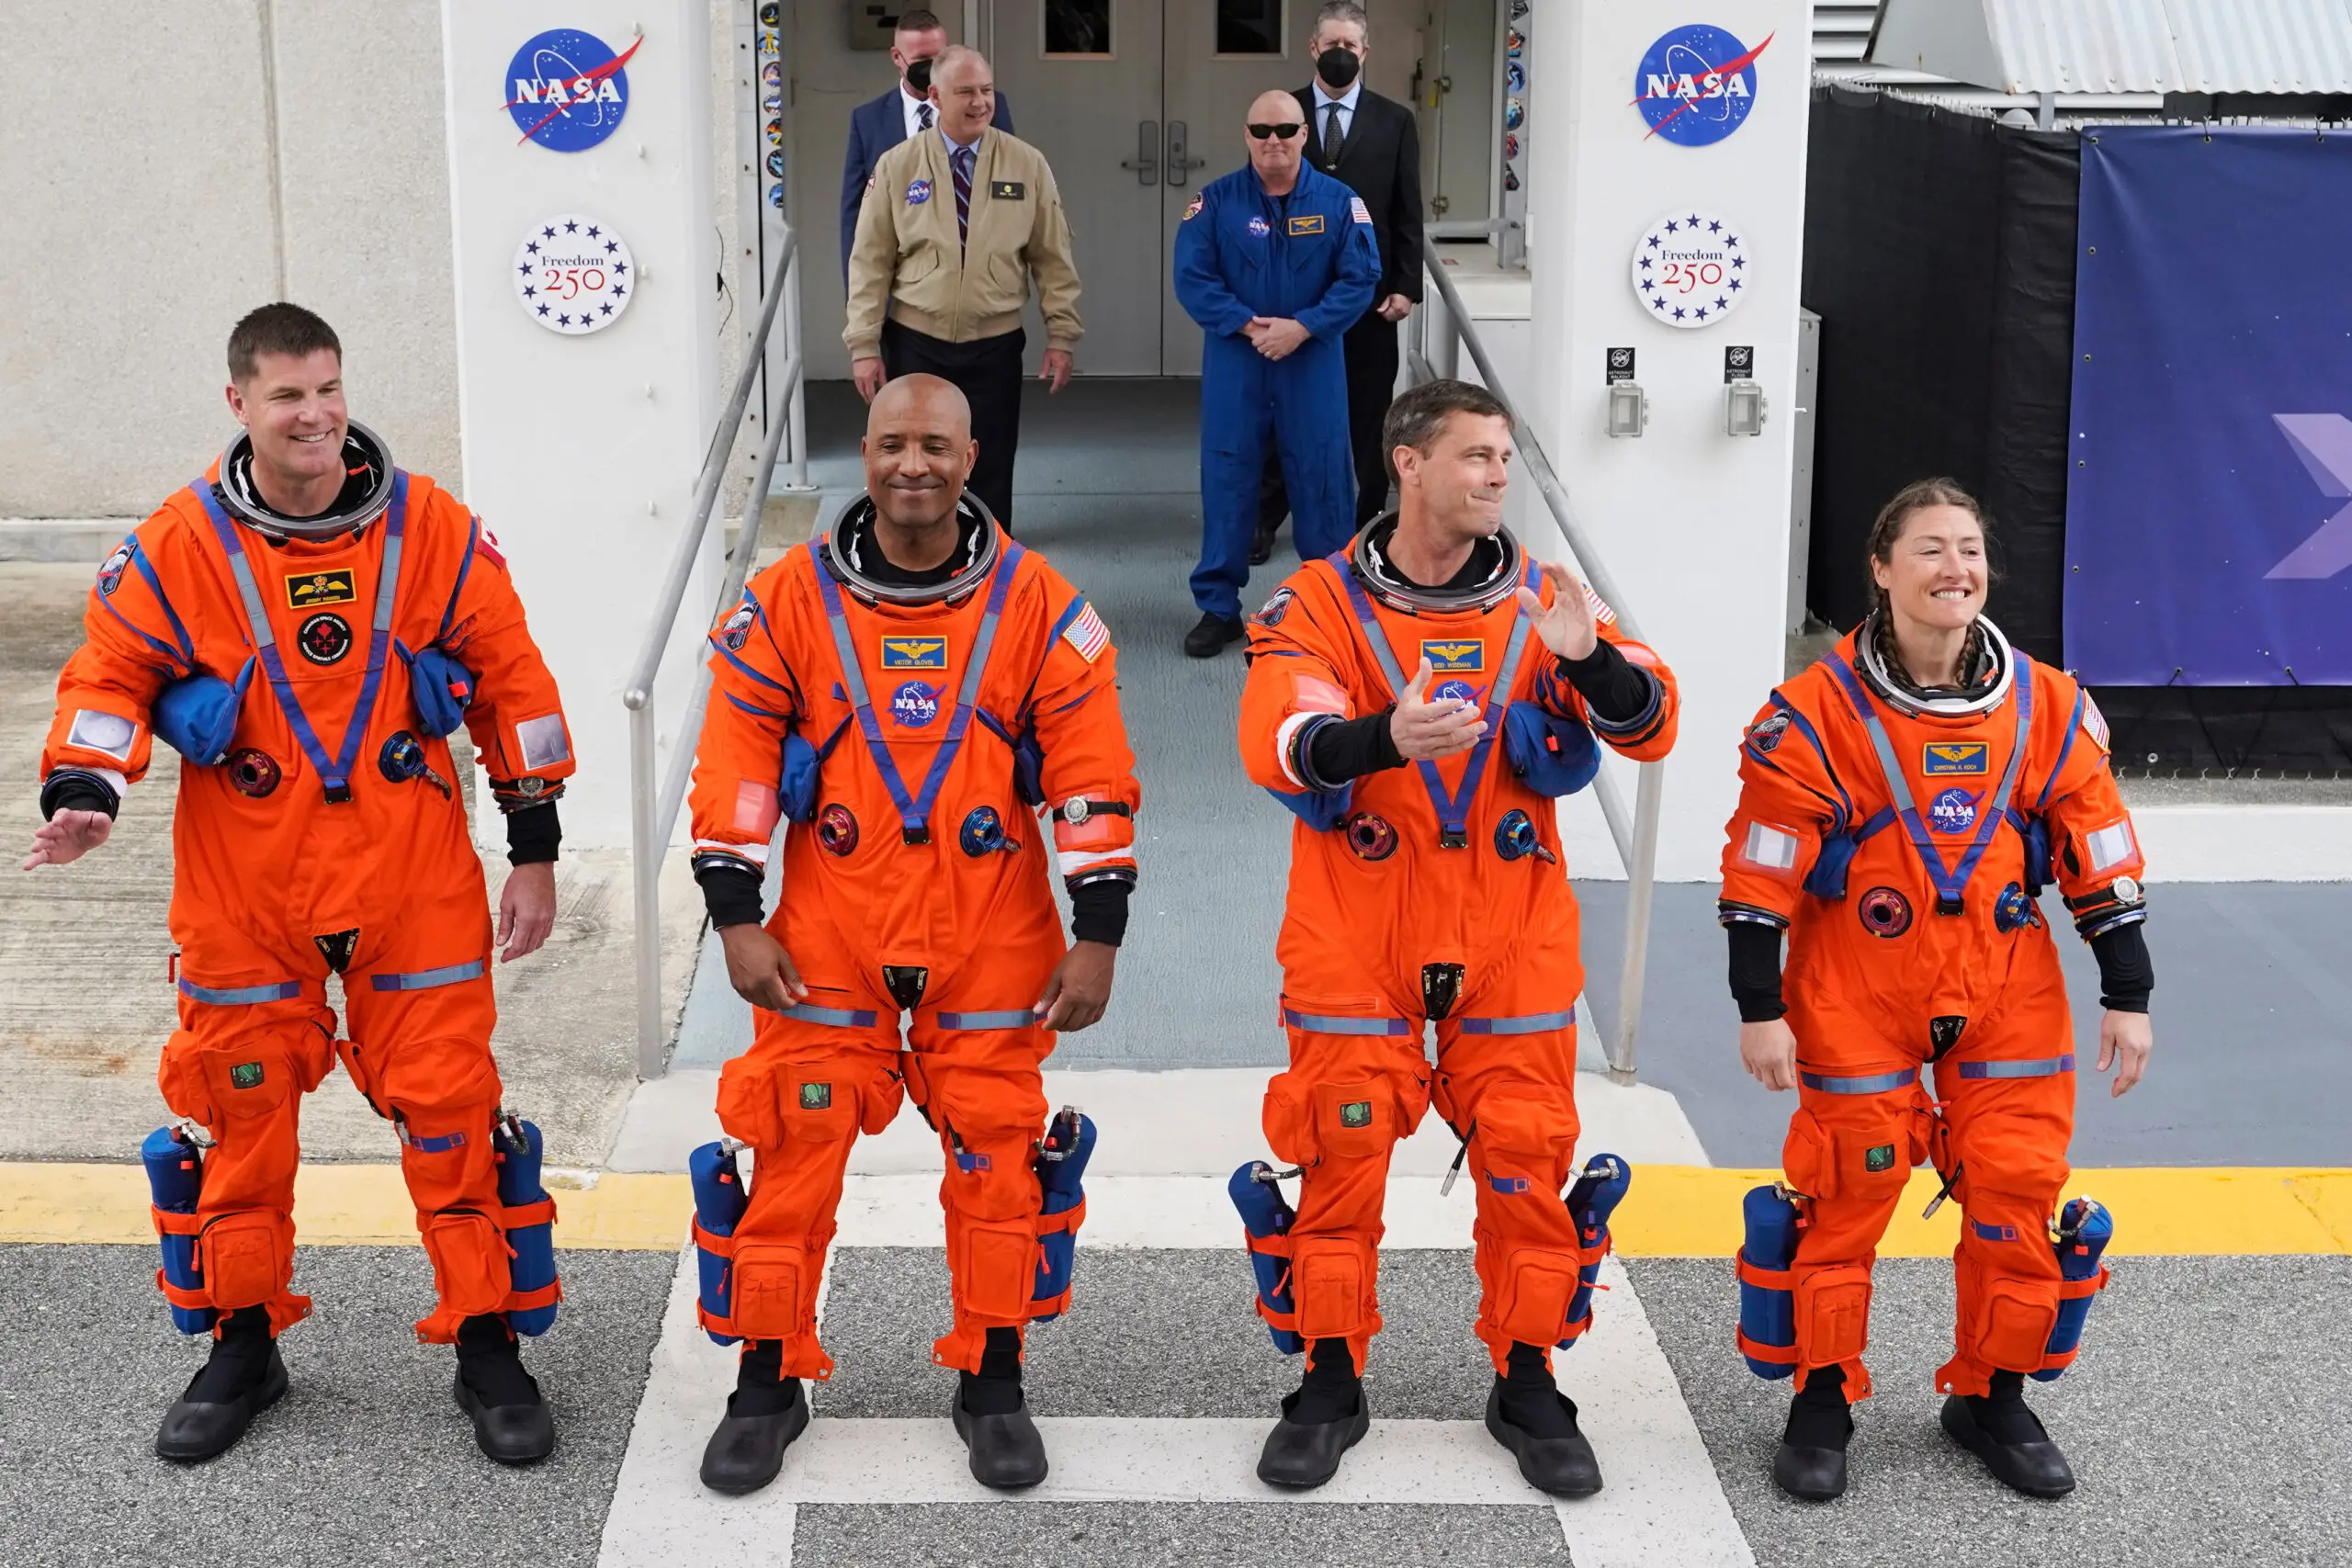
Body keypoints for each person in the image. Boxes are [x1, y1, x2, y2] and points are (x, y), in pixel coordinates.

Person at [25, 303, 574, 1465]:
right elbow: (109, 673)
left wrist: (534, 846)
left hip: (410, 878)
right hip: (246, 889)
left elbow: (512, 678)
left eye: (327, 388)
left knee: (450, 1108)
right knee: (239, 1115)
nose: (314, 414)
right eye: (287, 395)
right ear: (240, 404)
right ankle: (242, 1342)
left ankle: (487, 1340)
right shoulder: (177, 545)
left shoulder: (432, 530)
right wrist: (86, 788)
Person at [684, 374, 1140, 1496]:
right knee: (793, 1143)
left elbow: (1089, 777)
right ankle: (766, 1381)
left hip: (992, 928)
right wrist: (735, 917)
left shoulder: (1041, 607)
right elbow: (735, 764)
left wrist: (1099, 933)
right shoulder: (785, 601)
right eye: (893, 444)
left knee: (998, 1158)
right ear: (867, 452)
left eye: (935, 445)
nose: (912, 465)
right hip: (828, 928)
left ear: (970, 458)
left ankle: (992, 1378)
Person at [1234, 379, 1679, 1495]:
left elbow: (1652, 722)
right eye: (1476, 455)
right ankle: (1329, 1381)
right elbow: (1277, 736)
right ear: (1408, 463)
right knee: (1338, 1160)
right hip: (1356, 931)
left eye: (1503, 459)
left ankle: (1526, 1382)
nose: (1495, 476)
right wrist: (1381, 738)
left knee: (1527, 1160)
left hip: (1510, 933)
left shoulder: (1546, 601)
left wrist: (1585, 660)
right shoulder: (1318, 601)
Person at [1719, 479, 2154, 1502]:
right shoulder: (1813, 713)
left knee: (2017, 1189)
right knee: (1846, 1193)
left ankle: (1992, 1395)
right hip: (1853, 991)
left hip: (2005, 989)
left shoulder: (2048, 705)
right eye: (1929, 549)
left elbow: (2099, 851)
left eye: (1969, 549)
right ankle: (1822, 1395)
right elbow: (1760, 874)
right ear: (1881, 568)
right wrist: (1758, 1008)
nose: (1955, 568)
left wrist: (2127, 990)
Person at [1174, 90, 1378, 659]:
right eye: (1261, 130)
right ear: (1246, 135)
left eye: (1286, 130)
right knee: (1228, 477)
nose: (1274, 141)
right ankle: (1218, 609)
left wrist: (1304, 327)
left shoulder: (1341, 203)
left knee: (1323, 477)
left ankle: (1330, 609)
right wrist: (1247, 325)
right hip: (1237, 364)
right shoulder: (1214, 203)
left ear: (1304, 135)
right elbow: (1192, 278)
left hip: (1311, 362)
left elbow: (1361, 278)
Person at [845, 46, 1077, 532]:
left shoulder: (1027, 164)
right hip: (916, 341)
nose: (979, 102)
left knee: (990, 462)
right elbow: (870, 261)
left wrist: (1062, 334)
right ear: (935, 97)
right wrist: (864, 345)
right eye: (966, 92)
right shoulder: (898, 165)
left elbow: (1053, 258)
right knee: (917, 466)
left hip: (994, 345)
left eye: (987, 91)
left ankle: (988, 564)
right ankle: (918, 561)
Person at [1255, 0, 1424, 564]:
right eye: (1331, 44)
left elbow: (1407, 210)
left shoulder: (1394, 121)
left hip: (1369, 301)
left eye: (1350, 45)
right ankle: (1264, 518)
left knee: (1369, 414)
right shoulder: (1282, 113)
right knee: (1282, 411)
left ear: (1365, 52)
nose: (1340, 53)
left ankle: (1365, 521)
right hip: (1292, 300)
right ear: (1313, 48)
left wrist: (1406, 284)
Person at [838, 7, 1014, 288]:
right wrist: (857, 295)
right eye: (922, 60)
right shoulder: (868, 121)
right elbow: (855, 215)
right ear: (897, 57)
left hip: (975, 283)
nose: (933, 68)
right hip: (900, 286)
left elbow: (1009, 188)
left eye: (940, 57)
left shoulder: (985, 107)